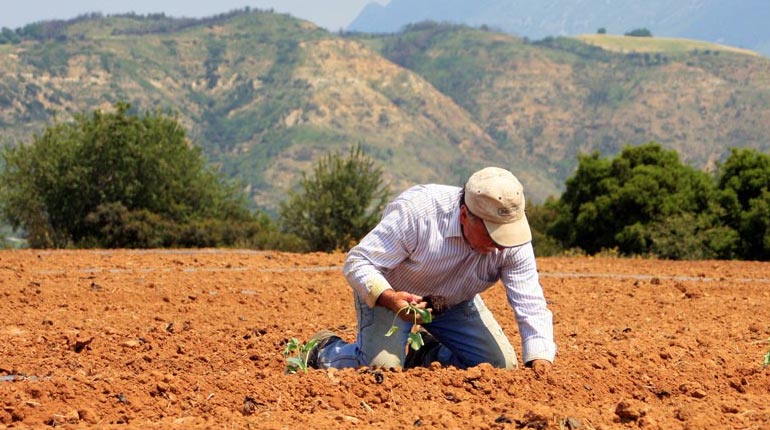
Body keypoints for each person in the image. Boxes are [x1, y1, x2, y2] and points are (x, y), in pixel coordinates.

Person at [306, 167, 556, 374]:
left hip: (452, 302)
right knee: (381, 370)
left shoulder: (513, 238)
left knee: (498, 367)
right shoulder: (418, 212)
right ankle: (324, 350)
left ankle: (427, 354)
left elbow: (530, 301)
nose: (501, 243)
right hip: (392, 296)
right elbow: (358, 262)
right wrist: (390, 298)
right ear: (464, 215)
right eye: (492, 233)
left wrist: (540, 360)